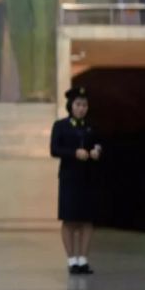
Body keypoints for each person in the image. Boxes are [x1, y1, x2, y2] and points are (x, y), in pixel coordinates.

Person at [50, 86, 101, 275]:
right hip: (69, 177)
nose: (82, 108)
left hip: (87, 177)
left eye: (85, 105)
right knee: (70, 219)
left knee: (87, 220)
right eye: (78, 104)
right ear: (71, 105)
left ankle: (83, 259)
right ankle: (72, 260)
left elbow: (99, 143)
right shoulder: (61, 126)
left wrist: (97, 152)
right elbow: (54, 149)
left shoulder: (90, 126)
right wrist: (73, 153)